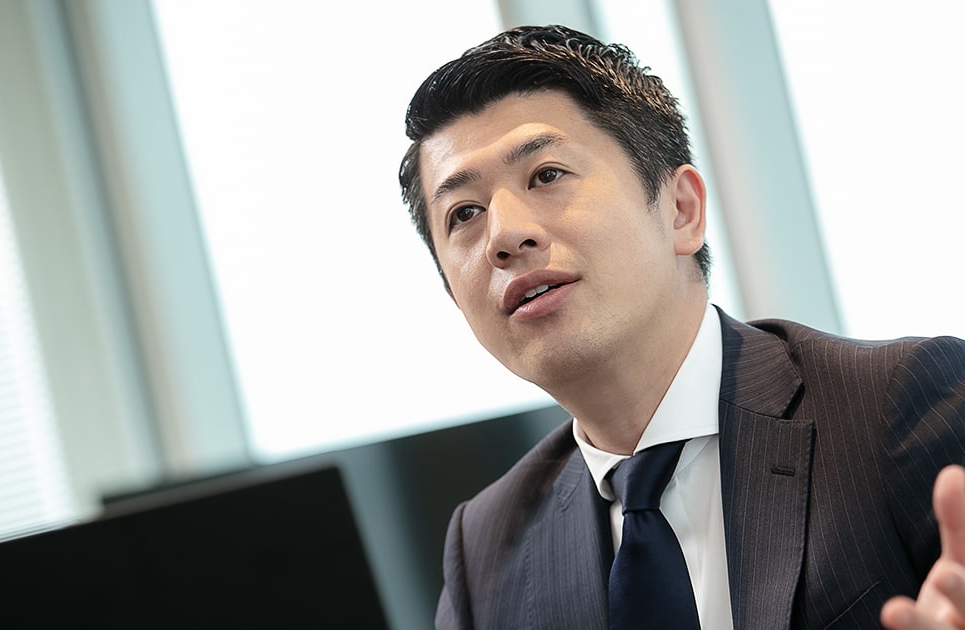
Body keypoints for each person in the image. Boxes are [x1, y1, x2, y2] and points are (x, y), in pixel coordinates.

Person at [397, 24, 965, 629]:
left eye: (546, 175)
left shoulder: (905, 403)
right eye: (464, 213)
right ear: (453, 295)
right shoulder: (484, 552)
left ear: (681, 209)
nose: (505, 235)